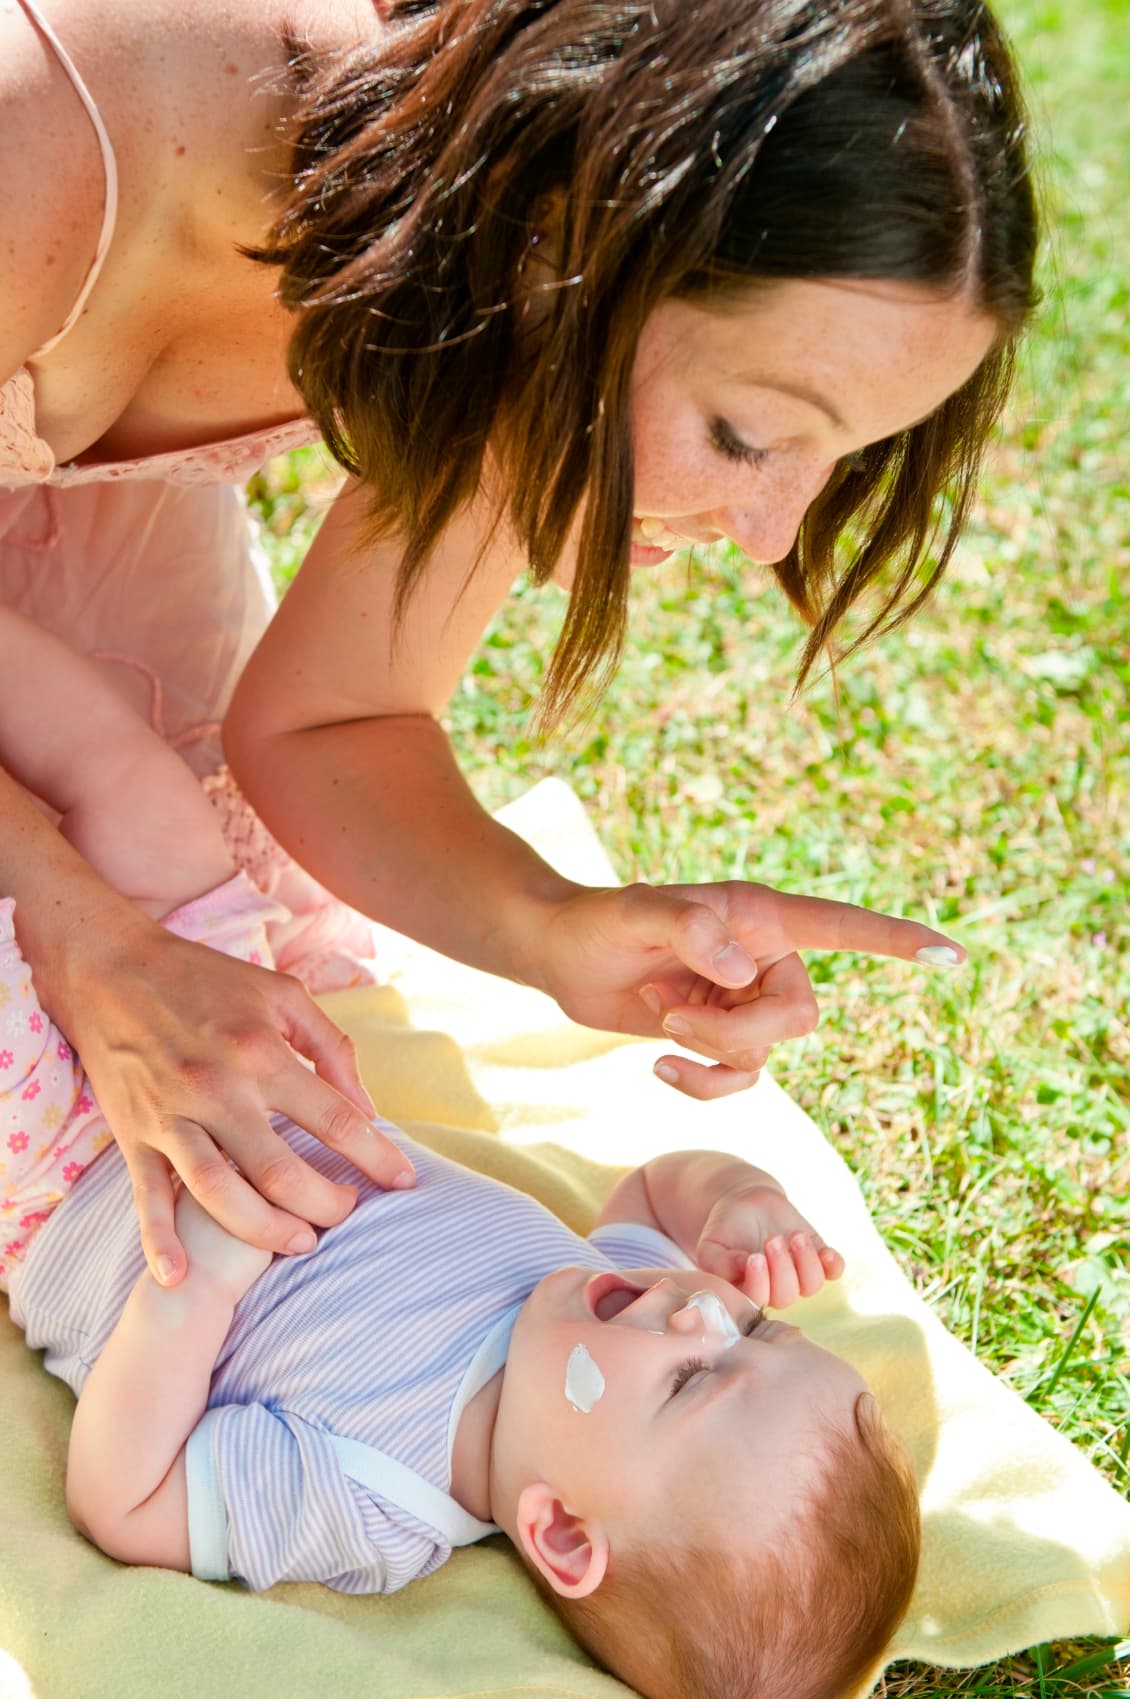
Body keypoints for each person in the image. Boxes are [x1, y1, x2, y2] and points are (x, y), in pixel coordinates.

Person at [1, 0, 1039, 1285]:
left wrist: (550, 927)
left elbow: (340, 720)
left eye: (843, 454)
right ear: (565, 240)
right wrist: (88, 937)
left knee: (190, 921)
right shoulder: (41, 129)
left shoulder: (484, 294)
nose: (773, 535)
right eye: (743, 434)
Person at [1, 618, 920, 1699]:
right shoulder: (576, 1293)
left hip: (70, 1167)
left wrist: (188, 1294)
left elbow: (127, 1500)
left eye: (690, 1380)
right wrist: (738, 1195)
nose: (702, 1312)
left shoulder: (371, 1496)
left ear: (563, 1533)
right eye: (755, 1325)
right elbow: (655, 1193)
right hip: (226, 1015)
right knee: (143, 796)